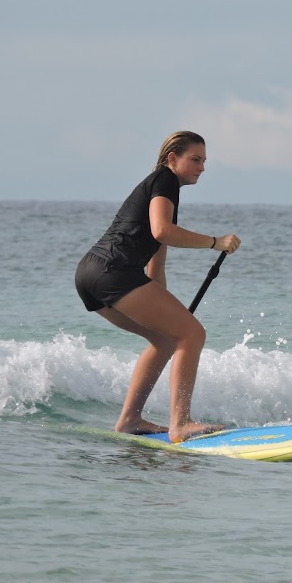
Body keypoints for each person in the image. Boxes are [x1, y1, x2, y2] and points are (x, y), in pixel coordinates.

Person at [74, 130, 240, 443]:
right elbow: (163, 231)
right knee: (193, 333)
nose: (202, 167)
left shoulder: (162, 189)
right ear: (172, 159)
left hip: (90, 275)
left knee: (165, 339)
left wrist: (164, 302)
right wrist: (215, 242)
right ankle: (181, 423)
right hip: (114, 271)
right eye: (195, 159)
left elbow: (156, 253)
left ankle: (129, 420)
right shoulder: (164, 180)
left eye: (204, 161)